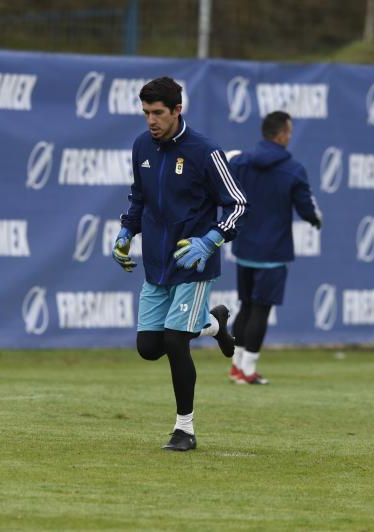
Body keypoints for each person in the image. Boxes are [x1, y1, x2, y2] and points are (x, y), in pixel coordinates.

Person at [111, 77, 247, 451]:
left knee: (175, 340)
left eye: (157, 113)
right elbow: (138, 198)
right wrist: (126, 232)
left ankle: (184, 429)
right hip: (156, 264)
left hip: (193, 264)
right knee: (148, 347)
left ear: (177, 110)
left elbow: (237, 204)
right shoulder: (141, 146)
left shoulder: (205, 151)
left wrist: (211, 239)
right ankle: (214, 323)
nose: (151, 121)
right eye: (145, 113)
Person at [227, 111, 323, 385]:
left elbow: (223, 183)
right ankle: (248, 370)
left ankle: (236, 367)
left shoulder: (241, 161)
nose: (289, 136)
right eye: (289, 132)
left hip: (244, 247)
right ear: (280, 134)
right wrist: (316, 219)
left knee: (246, 307)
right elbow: (307, 208)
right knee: (261, 310)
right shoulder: (293, 169)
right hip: (272, 252)